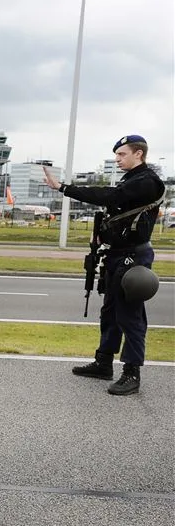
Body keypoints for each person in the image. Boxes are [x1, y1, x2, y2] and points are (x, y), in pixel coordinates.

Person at [44, 134, 166, 395]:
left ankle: (132, 372)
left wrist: (63, 188)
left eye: (122, 154)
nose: (117, 159)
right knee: (109, 311)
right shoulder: (132, 179)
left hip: (133, 256)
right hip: (116, 254)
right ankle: (103, 363)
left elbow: (109, 197)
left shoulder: (147, 182)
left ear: (139, 154)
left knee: (130, 315)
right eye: (117, 155)